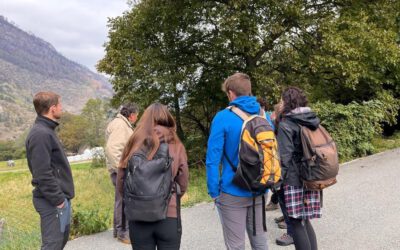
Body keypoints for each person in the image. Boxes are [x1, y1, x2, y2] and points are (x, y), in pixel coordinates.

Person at [206, 72, 268, 250]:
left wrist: (214, 192)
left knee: (236, 245)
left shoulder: (222, 117)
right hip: (260, 187)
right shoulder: (263, 116)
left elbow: (212, 159)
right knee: (260, 242)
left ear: (231, 93)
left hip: (232, 189)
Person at [117, 103, 189, 250]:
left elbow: (121, 180)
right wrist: (171, 197)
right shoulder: (175, 142)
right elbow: (183, 180)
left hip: (138, 216)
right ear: (166, 117)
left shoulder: (133, 141)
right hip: (168, 214)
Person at [25, 92, 75, 250]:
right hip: (52, 201)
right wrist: (59, 200)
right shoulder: (41, 134)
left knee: (59, 243)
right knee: (52, 245)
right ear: (53, 109)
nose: (62, 108)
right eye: (60, 105)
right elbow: (42, 173)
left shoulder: (47, 130)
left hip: (58, 200)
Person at [276, 87, 321, 250]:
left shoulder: (286, 123)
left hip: (294, 179)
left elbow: (285, 158)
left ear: (287, 102)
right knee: (305, 219)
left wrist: (277, 181)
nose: (280, 103)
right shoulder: (311, 119)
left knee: (295, 221)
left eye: (281, 100)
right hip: (312, 174)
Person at [105, 103, 139, 244]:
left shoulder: (121, 123)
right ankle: (123, 233)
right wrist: (122, 168)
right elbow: (112, 149)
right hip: (121, 169)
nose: (137, 118)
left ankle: (117, 230)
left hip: (118, 169)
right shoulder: (121, 125)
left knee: (120, 199)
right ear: (131, 115)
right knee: (125, 200)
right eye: (137, 115)